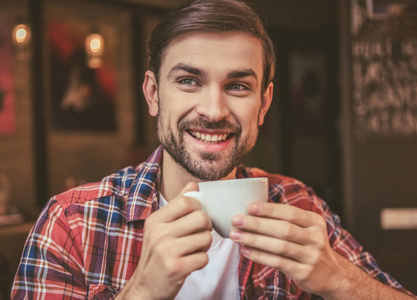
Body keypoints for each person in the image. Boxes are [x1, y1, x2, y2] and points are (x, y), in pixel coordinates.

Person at [11, 0, 416, 299]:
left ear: (265, 103)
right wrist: (143, 291)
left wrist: (337, 278)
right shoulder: (72, 223)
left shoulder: (298, 203)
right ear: (154, 94)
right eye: (188, 81)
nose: (213, 110)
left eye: (238, 86)